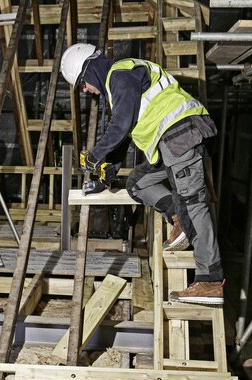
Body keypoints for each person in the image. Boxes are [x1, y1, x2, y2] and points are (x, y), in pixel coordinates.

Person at [60, 44, 224, 305]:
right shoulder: (119, 86)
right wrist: (107, 172)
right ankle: (177, 217)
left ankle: (210, 281)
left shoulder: (119, 75)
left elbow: (121, 126)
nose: (85, 91)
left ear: (88, 71)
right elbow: (124, 132)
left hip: (181, 135)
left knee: (193, 203)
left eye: (82, 84)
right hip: (169, 143)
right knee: (137, 183)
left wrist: (94, 155)